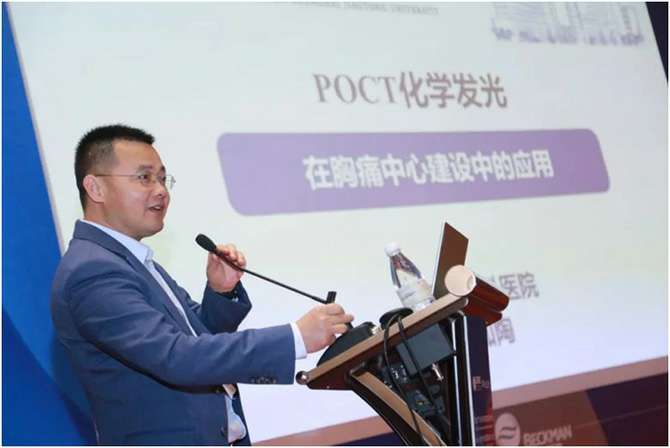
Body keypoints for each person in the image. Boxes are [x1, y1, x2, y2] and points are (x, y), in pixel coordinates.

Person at [51, 124, 354, 445]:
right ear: (95, 188)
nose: (161, 190)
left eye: (162, 178)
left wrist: (221, 291)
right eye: (144, 177)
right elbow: (177, 357)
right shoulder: (93, 271)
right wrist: (296, 337)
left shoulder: (128, 259)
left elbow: (197, 335)